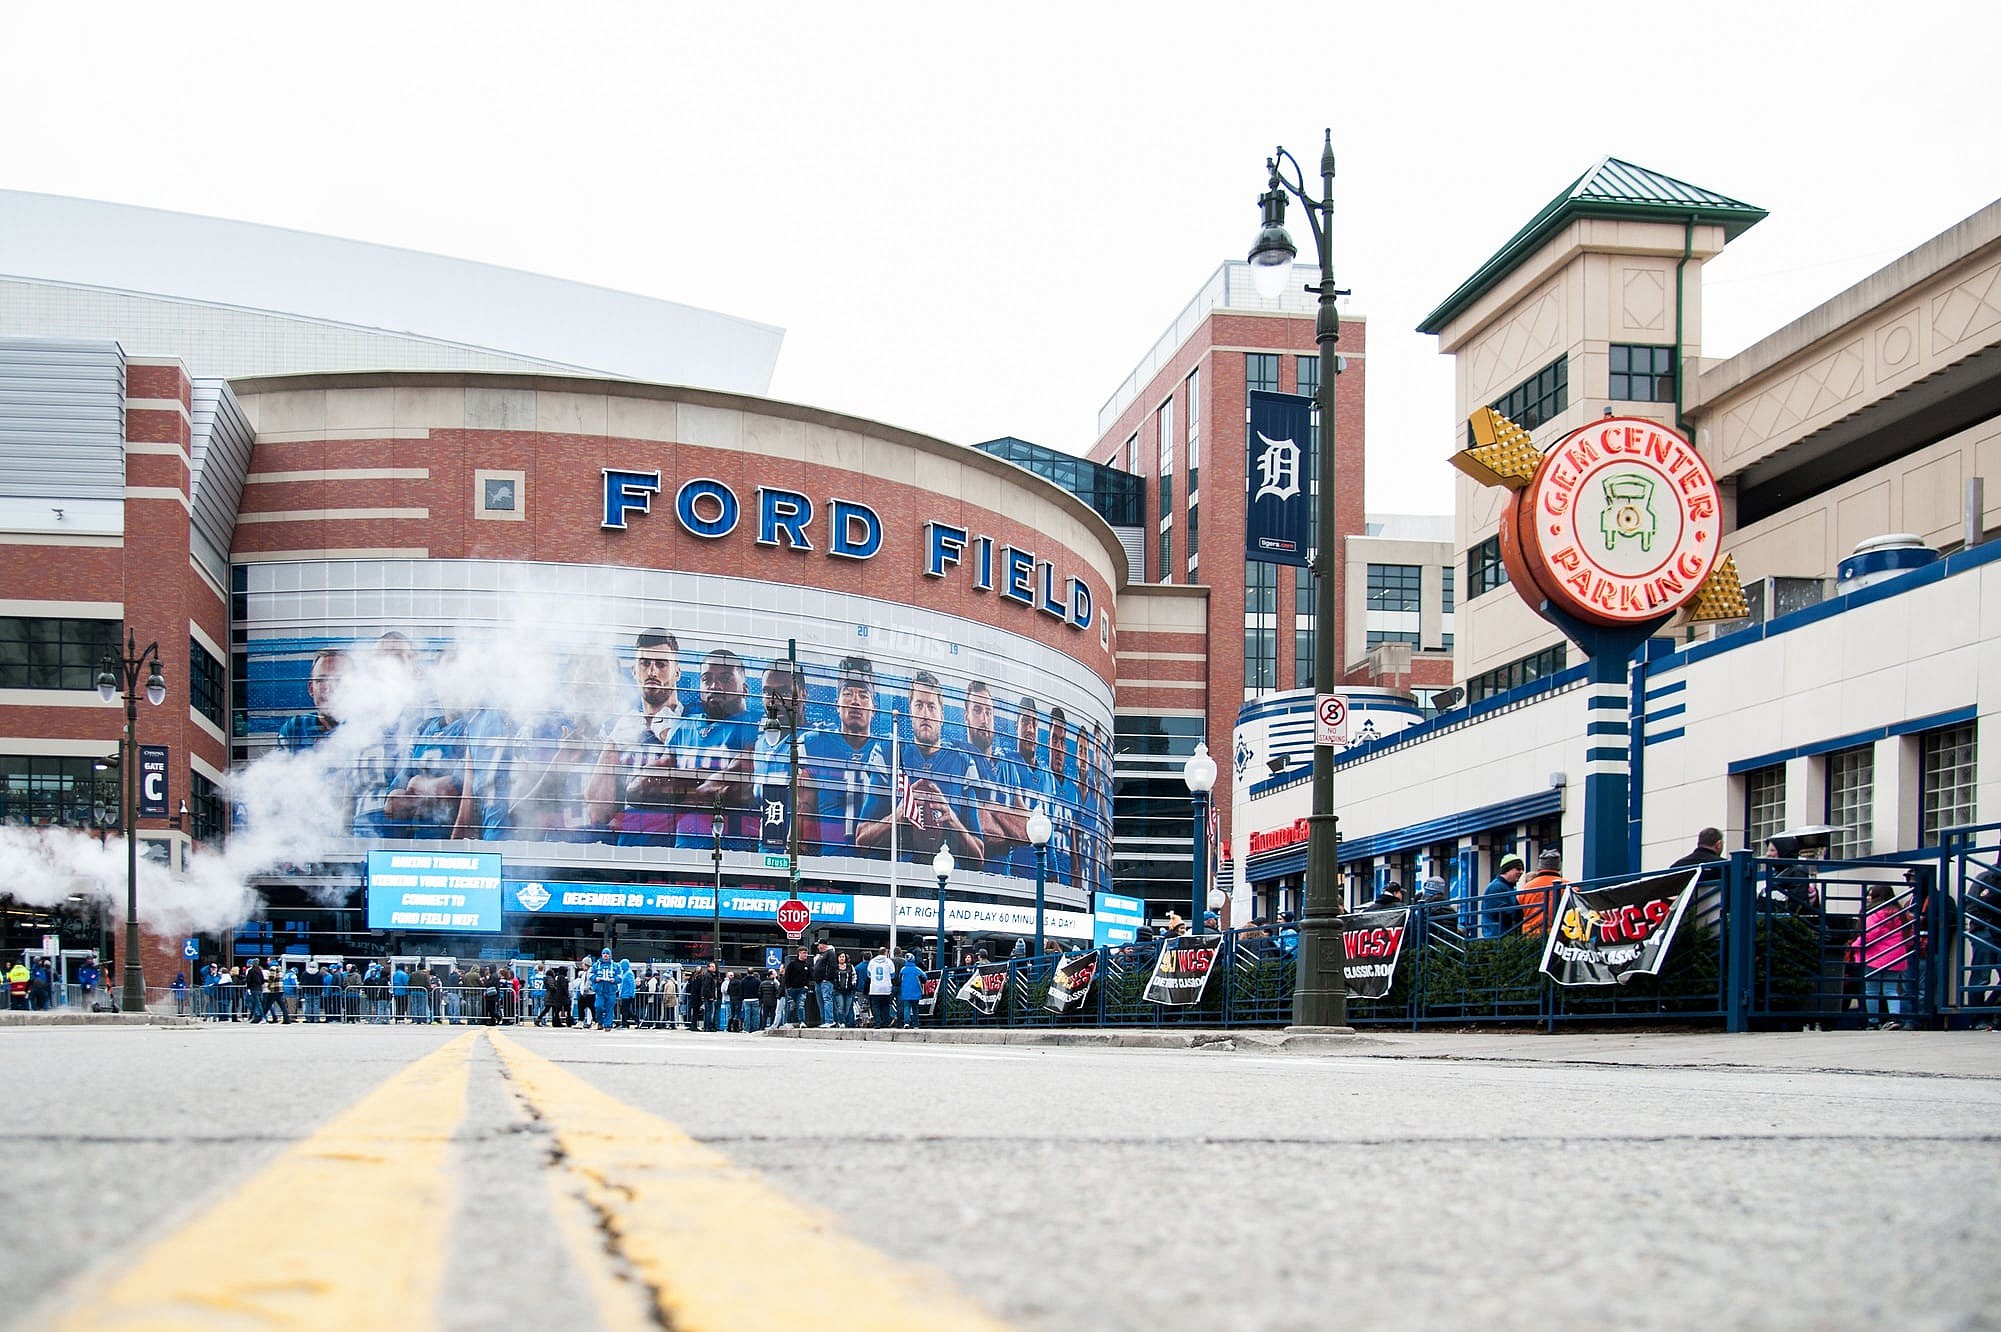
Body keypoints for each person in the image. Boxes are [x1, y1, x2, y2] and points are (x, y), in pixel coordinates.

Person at [857, 671, 983, 863]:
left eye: (931, 706)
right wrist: (899, 814)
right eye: (919, 705)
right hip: (897, 879)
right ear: (910, 712)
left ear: (942, 714)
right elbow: (861, 841)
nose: (925, 714)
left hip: (947, 882)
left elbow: (979, 857)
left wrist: (951, 819)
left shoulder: (963, 762)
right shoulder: (890, 752)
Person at [589, 628, 689, 847]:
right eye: (645, 663)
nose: (652, 671)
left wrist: (670, 739)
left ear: (677, 673)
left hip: (679, 855)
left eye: (661, 664)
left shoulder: (694, 723)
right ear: (634, 671)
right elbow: (598, 813)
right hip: (631, 853)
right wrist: (612, 747)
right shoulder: (624, 728)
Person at [799, 655, 891, 857]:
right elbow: (802, 811)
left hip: (880, 868)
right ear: (837, 704)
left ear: (874, 707)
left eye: (863, 695)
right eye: (848, 694)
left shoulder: (889, 749)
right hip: (831, 864)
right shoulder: (814, 743)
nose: (855, 701)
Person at [672, 649, 758, 851]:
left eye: (725, 679)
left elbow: (735, 788)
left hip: (739, 848)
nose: (714, 685)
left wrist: (681, 791)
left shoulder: (757, 726)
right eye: (706, 679)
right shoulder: (683, 727)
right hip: (685, 846)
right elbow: (650, 789)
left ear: (744, 689)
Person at [961, 680, 1028, 875]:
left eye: (989, 712)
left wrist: (988, 808)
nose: (984, 718)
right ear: (966, 716)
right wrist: (1009, 823)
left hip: (1004, 878)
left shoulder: (1007, 766)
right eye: (977, 710)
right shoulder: (959, 756)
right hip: (968, 878)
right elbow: (978, 827)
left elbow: (1026, 831)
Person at [1853, 884, 1916, 1029]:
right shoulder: (1901, 913)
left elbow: (1869, 934)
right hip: (1895, 956)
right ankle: (1894, 1019)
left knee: (1871, 990)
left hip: (1874, 956)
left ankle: (1873, 1022)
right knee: (1891, 989)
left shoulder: (1873, 912)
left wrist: (1855, 945)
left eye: (1871, 894)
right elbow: (1909, 935)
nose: (1868, 897)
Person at [276, 647, 344, 751]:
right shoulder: (294, 729)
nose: (329, 688)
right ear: (311, 689)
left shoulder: (367, 728)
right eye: (321, 680)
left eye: (338, 679)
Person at [1517, 850, 1565, 938]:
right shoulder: (1567, 886)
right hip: (1557, 935)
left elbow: (1518, 911)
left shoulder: (1527, 887)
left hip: (1530, 934)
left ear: (1540, 866)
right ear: (1558, 866)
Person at [1764, 837, 1814, 912]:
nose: (1767, 854)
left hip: (1784, 921)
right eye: (1768, 850)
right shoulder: (1778, 872)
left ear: (1784, 851)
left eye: (1772, 850)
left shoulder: (1798, 872)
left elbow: (1797, 904)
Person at [1483, 855, 1525, 938]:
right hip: (1498, 937)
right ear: (1507, 869)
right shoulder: (1496, 887)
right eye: (1518, 869)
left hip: (1502, 936)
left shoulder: (1506, 887)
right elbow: (1499, 913)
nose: (1522, 872)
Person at [866, 946, 896, 1029]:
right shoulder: (889, 962)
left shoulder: (872, 962)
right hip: (886, 988)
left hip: (874, 988)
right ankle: (885, 1022)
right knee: (885, 1006)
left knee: (875, 1006)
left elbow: (868, 974)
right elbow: (892, 975)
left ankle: (877, 1022)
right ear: (886, 953)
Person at [781, 946, 812, 1027]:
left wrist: (806, 985)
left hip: (802, 988)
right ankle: (788, 1022)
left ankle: (802, 1021)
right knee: (791, 1006)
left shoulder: (807, 965)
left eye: (806, 953)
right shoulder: (792, 964)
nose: (806, 955)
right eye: (804, 953)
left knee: (801, 1005)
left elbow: (810, 976)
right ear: (799, 953)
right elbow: (787, 976)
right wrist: (788, 987)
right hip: (792, 989)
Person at [810, 941, 837, 1027]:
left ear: (823, 945)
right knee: (821, 1002)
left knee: (826, 999)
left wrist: (827, 978)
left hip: (825, 981)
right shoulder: (821, 955)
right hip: (818, 981)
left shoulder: (830, 953)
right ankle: (824, 1021)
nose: (818, 947)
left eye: (819, 945)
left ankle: (829, 1020)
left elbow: (832, 966)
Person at [591, 949, 619, 1030]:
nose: (605, 955)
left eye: (607, 953)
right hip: (600, 991)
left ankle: (607, 1025)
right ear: (601, 955)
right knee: (598, 1007)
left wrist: (615, 980)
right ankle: (599, 1021)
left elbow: (620, 975)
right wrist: (595, 978)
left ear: (610, 955)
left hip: (611, 991)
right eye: (604, 953)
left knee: (609, 1009)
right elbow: (591, 974)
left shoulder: (615, 965)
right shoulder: (596, 965)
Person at [898, 950, 924, 1027]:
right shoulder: (917, 969)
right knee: (915, 1008)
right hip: (916, 991)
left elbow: (899, 979)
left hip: (905, 991)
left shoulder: (903, 969)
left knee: (906, 1007)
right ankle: (916, 1024)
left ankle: (906, 1023)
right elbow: (924, 976)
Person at [833, 950, 858, 1027]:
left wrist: (853, 984)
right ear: (837, 958)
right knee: (840, 1007)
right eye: (840, 957)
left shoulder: (850, 967)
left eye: (843, 957)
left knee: (847, 1009)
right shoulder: (835, 967)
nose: (842, 958)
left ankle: (845, 1021)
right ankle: (841, 1022)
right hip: (838, 990)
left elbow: (854, 976)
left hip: (849, 990)